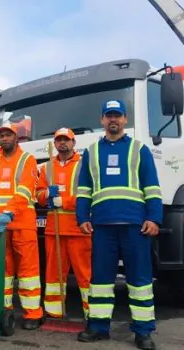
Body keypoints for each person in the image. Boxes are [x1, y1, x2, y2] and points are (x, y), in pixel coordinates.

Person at [76, 100, 162, 350]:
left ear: (125, 119)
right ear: (102, 120)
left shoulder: (139, 149)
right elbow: (83, 189)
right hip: (102, 226)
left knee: (140, 280)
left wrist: (154, 218)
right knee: (100, 280)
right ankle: (98, 327)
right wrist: (82, 218)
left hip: (136, 226)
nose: (113, 119)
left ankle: (144, 332)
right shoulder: (91, 152)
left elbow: (152, 187)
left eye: (118, 115)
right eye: (108, 115)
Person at [0, 123, 43, 335]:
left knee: (28, 271)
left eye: (8, 135)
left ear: (16, 137)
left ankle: (33, 314)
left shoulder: (27, 159)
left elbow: (24, 190)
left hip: (22, 223)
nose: (4, 138)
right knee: (3, 270)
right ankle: (6, 308)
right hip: (0, 224)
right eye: (1, 135)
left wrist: (8, 210)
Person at [36, 128, 90, 319]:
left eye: (66, 139)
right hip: (54, 229)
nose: (62, 143)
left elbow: (89, 194)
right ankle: (54, 312)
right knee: (53, 274)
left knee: (85, 274)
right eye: (58, 140)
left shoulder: (85, 164)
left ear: (73, 143)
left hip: (78, 229)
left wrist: (64, 201)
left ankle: (91, 314)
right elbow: (38, 195)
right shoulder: (47, 167)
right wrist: (47, 195)